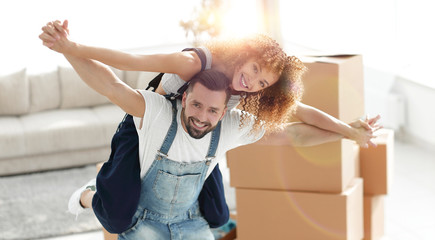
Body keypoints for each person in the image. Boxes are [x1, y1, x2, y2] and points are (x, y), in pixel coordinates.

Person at [39, 20, 381, 237]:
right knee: (117, 216)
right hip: (148, 129)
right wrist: (72, 48)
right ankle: (91, 192)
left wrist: (348, 130)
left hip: (200, 138)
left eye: (262, 82)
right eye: (254, 69)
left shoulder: (248, 98)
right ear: (245, 53)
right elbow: (131, 64)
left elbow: (300, 115)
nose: (252, 83)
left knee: (217, 215)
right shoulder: (195, 63)